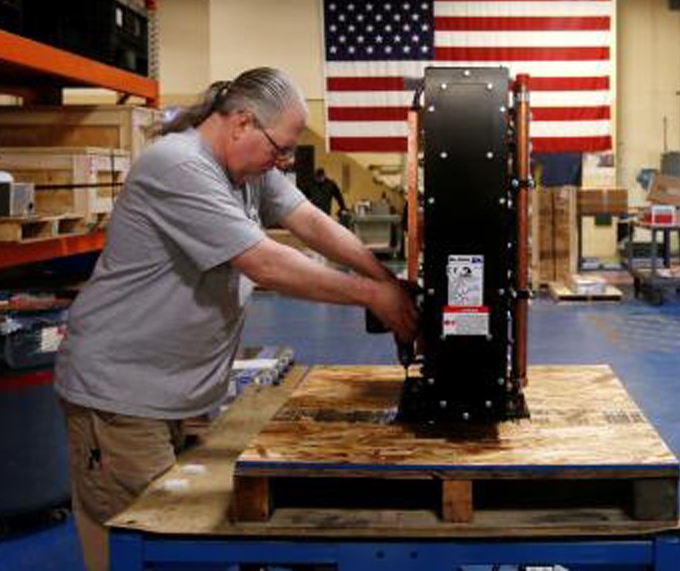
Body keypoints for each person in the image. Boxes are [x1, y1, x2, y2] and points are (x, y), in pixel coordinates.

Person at [53, 68, 418, 571]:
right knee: (145, 544)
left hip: (177, 392)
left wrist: (387, 281)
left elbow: (308, 219)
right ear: (242, 122)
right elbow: (264, 261)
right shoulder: (177, 165)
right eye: (280, 149)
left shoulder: (245, 168)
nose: (284, 161)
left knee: (179, 546)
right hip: (121, 395)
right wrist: (373, 297)